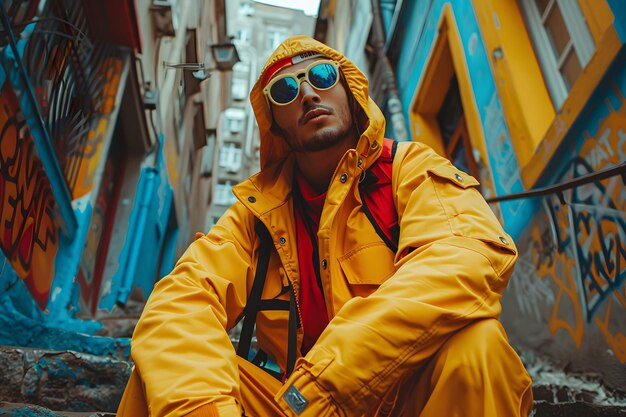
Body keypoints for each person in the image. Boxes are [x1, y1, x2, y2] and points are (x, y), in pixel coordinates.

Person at [117, 35, 534, 417]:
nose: (307, 93)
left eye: (321, 75)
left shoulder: (406, 169)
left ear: (349, 92)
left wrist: (326, 382)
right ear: (275, 124)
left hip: (397, 399)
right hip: (294, 406)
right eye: (284, 90)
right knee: (161, 375)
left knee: (480, 346)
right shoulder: (257, 213)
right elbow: (182, 300)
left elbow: (468, 255)